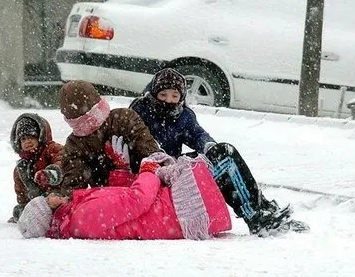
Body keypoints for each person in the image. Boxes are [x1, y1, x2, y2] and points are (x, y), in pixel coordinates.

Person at [130, 68, 309, 236]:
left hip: (175, 166)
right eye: (163, 95)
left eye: (174, 95)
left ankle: (263, 209)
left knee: (223, 153)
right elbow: (140, 145)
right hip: (155, 172)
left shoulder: (183, 115)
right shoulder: (141, 111)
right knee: (226, 159)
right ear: (153, 94)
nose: (168, 100)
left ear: (181, 97)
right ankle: (257, 216)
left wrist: (209, 147)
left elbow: (198, 135)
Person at [17, 139, 232, 240]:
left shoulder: (76, 213)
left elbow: (121, 204)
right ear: (48, 213)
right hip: (180, 209)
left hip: (171, 209)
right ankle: (259, 214)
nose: (51, 195)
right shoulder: (81, 216)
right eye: (47, 202)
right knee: (225, 156)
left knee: (223, 161)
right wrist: (148, 170)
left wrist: (121, 170)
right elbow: (137, 201)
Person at [51, 80, 162, 198]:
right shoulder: (123, 118)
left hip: (137, 193)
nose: (90, 127)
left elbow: (151, 154)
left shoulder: (123, 120)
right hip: (112, 201)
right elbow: (73, 188)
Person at [8, 113, 64, 223]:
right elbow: (21, 191)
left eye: (31, 137)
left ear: (40, 136)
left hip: (57, 193)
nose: (27, 142)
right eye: (23, 139)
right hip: (39, 202)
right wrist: (24, 204)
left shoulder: (50, 149)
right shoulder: (21, 168)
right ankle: (32, 215)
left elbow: (63, 158)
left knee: (54, 200)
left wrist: (51, 174)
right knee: (20, 210)